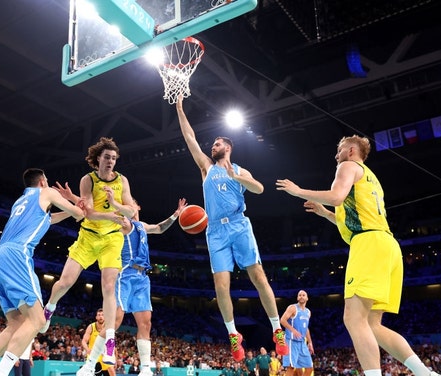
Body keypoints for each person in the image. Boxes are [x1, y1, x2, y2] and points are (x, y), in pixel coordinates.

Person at [275, 135, 441, 376]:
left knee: (353, 319)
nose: (336, 155)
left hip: (368, 245)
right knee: (372, 325)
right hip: (387, 245)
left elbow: (336, 196)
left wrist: (298, 190)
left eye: (339, 149)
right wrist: (326, 214)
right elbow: (357, 221)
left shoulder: (347, 166)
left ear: (352, 151)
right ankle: (426, 373)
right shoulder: (371, 178)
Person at [176, 96, 286, 361]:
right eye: (212, 144)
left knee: (258, 276)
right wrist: (180, 107)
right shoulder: (206, 168)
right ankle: (233, 334)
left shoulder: (238, 169)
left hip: (239, 225)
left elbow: (259, 189)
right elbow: (190, 137)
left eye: (217, 143)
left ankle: (277, 329)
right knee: (220, 285)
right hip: (215, 231)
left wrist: (239, 177)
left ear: (228, 147)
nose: (213, 146)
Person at [0, 168, 85, 376]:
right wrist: (76, 202)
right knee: (38, 321)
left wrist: (67, 211)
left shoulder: (20, 202)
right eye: (47, 181)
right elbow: (79, 214)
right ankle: (1, 373)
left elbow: (48, 219)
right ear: (42, 181)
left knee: (15, 324)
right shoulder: (47, 192)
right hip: (17, 256)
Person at [41, 137, 137, 371]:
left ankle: (111, 340)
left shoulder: (122, 180)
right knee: (64, 282)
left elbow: (132, 211)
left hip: (112, 239)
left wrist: (116, 204)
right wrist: (112, 213)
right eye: (107, 157)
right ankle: (49, 309)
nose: (111, 161)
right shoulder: (88, 180)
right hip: (88, 236)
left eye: (114, 158)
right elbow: (89, 213)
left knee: (108, 286)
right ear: (97, 159)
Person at [114, 198, 186, 376]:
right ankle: (90, 363)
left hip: (143, 278)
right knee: (114, 321)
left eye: (130, 202)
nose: (128, 204)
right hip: (126, 274)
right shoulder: (124, 222)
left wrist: (175, 215)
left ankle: (146, 369)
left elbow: (160, 228)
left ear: (137, 206)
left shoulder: (142, 226)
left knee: (146, 324)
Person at [279, 290, 313, 376]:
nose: (301, 296)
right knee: (291, 367)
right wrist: (293, 330)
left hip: (302, 343)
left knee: (309, 367)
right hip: (291, 341)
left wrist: (310, 342)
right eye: (299, 295)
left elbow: (306, 328)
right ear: (297, 298)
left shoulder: (308, 312)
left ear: (307, 298)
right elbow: (282, 320)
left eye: (303, 295)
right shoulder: (293, 308)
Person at [80, 309, 114, 376]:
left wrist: (111, 355)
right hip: (93, 355)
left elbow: (111, 343)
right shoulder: (91, 327)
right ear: (96, 317)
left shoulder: (108, 327)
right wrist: (87, 349)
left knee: (112, 371)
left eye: (102, 315)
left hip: (104, 355)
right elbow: (84, 341)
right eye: (99, 315)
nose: (101, 317)